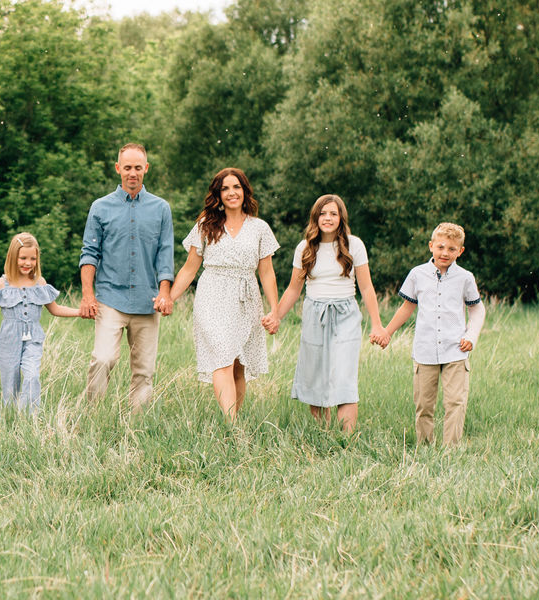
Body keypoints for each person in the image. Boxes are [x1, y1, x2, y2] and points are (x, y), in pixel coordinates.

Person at [170, 167, 280, 419]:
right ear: (218, 195)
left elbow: (267, 273)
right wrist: (170, 298)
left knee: (239, 366)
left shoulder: (260, 228)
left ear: (245, 191)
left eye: (236, 187)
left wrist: (274, 310)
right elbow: (189, 269)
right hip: (213, 295)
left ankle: (233, 422)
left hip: (246, 298)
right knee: (222, 356)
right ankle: (232, 424)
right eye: (225, 188)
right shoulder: (205, 226)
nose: (232, 193)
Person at [270, 195, 384, 433]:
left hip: (345, 313)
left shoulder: (354, 245)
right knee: (316, 375)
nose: (328, 218)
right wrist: (276, 316)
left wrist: (377, 324)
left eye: (333, 213)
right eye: (323, 214)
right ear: (315, 217)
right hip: (315, 312)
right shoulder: (304, 248)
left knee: (344, 376)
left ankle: (346, 438)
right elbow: (293, 289)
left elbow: (366, 287)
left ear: (341, 217)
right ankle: (323, 433)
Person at [78, 143, 175, 413]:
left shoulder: (161, 208)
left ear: (146, 168)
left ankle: (136, 425)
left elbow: (165, 254)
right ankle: (94, 415)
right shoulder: (100, 207)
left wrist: (165, 292)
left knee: (144, 371)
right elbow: (89, 253)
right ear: (118, 168)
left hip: (147, 300)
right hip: (110, 298)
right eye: (128, 167)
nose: (133, 173)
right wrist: (88, 295)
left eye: (138, 167)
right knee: (103, 359)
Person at [373, 222, 486, 446]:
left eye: (452, 249)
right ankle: (424, 447)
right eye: (441, 247)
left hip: (456, 350)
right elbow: (407, 307)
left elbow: (477, 309)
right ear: (431, 246)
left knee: (455, 402)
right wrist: (387, 332)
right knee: (424, 405)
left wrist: (471, 336)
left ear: (460, 251)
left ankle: (450, 450)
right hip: (424, 350)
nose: (445, 253)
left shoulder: (465, 278)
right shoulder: (417, 274)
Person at [0, 233, 79, 413]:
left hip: (33, 338)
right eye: (23, 258)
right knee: (10, 382)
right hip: (9, 339)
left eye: (33, 259)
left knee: (32, 375)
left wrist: (80, 312)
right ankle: (11, 417)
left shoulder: (39, 283)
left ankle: (30, 417)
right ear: (13, 257)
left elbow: (55, 309)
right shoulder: (1, 284)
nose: (28, 263)